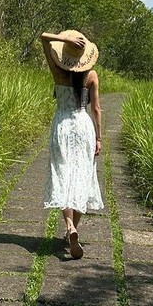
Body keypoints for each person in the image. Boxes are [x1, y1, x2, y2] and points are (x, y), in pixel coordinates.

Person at [40, 29, 104, 259]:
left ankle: (69, 226)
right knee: (82, 175)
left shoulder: (57, 72)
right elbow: (96, 109)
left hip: (62, 125)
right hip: (83, 126)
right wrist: (98, 137)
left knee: (63, 173)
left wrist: (63, 39)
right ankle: (72, 229)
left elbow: (44, 37)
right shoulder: (92, 75)